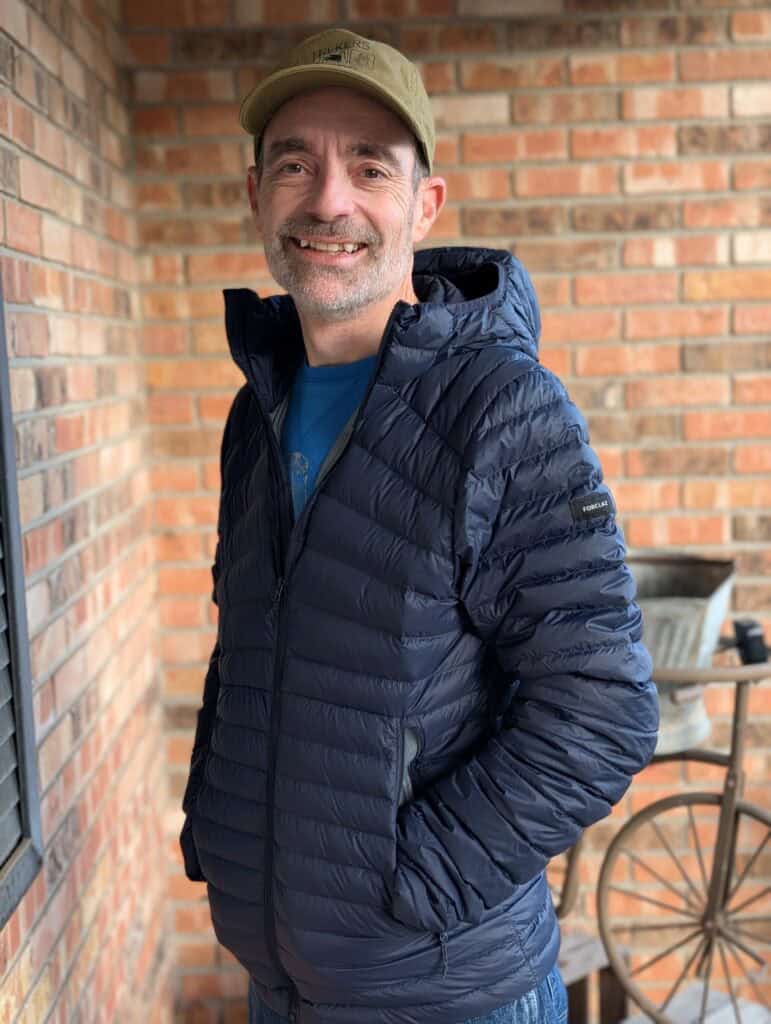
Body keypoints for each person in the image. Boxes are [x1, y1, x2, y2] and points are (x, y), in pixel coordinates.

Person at [179, 27, 659, 1024]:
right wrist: (217, 831)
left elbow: (602, 710)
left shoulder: (501, 409)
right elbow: (253, 649)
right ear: (256, 192)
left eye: (369, 168)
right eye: (296, 164)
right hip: (283, 986)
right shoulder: (255, 410)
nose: (329, 200)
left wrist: (412, 885)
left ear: (425, 204)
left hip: (443, 993)